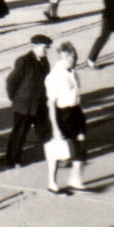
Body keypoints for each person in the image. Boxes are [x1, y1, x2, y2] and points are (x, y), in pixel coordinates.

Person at [44, 41, 90, 194]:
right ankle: (52, 182)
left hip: (76, 112)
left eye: (75, 57)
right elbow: (51, 104)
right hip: (62, 114)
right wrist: (56, 128)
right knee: (58, 150)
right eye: (72, 58)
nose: (75, 60)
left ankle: (75, 179)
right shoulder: (55, 77)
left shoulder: (73, 72)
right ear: (63, 57)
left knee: (81, 145)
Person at [4, 33, 52, 167]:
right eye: (44, 47)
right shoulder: (24, 61)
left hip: (40, 104)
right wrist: (15, 98)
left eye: (47, 47)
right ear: (35, 47)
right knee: (19, 134)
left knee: (45, 133)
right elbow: (11, 81)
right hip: (24, 106)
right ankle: (12, 160)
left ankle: (53, 156)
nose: (46, 50)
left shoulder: (44, 62)